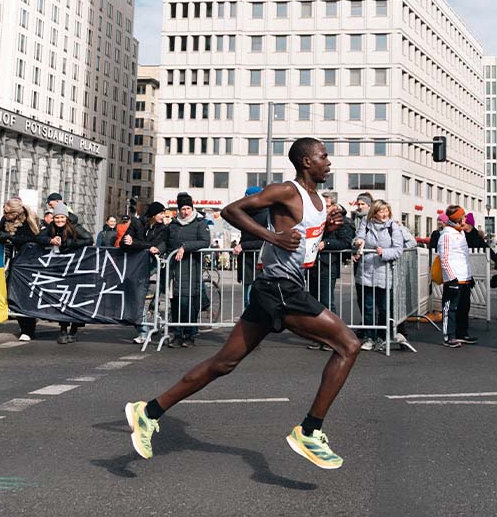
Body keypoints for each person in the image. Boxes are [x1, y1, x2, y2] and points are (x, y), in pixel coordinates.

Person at [126, 138, 360, 470]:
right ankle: (309, 431)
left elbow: (303, 242)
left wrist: (326, 229)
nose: (329, 162)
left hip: (277, 288)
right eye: (324, 156)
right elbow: (231, 211)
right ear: (307, 162)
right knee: (349, 345)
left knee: (223, 363)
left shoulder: (319, 200)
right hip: (280, 288)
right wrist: (272, 237)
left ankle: (147, 412)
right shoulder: (286, 191)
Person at [353, 199, 411, 351]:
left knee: (384, 307)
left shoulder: (393, 227)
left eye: (386, 211)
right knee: (368, 307)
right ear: (375, 212)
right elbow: (357, 239)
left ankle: (383, 335)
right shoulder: (366, 223)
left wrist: (384, 253)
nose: (384, 214)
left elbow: (398, 249)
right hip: (366, 271)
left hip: (385, 272)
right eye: (381, 211)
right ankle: (369, 337)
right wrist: (357, 242)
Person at [36, 202, 93, 342]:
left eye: (62, 217)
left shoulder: (75, 227)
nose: (59, 220)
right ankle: (62, 329)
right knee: (62, 298)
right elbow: (38, 237)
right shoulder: (51, 227)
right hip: (61, 267)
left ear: (66, 218)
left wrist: (68, 244)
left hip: (77, 266)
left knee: (75, 298)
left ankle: (73, 330)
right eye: (57, 218)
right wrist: (50, 240)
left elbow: (89, 239)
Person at [0, 198, 45, 341]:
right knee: (12, 295)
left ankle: (28, 330)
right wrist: (5, 237)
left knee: (25, 295)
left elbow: (33, 238)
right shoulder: (5, 220)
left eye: (8, 213)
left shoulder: (29, 219)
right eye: (4, 212)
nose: (5, 215)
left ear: (16, 213)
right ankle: (24, 325)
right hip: (11, 262)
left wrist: (11, 237)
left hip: (27, 263)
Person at [165, 192, 211, 348]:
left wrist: (185, 246)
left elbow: (205, 242)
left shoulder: (200, 223)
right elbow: (166, 242)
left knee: (188, 303)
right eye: (182, 209)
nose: (184, 212)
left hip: (191, 268)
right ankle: (177, 335)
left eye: (187, 208)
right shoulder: (173, 224)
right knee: (176, 303)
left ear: (192, 208)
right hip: (174, 269)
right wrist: (155, 249)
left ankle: (190, 334)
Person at [307, 202, 354, 350]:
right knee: (314, 303)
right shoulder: (316, 220)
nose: (324, 208)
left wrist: (326, 243)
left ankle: (334, 337)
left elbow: (345, 243)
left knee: (327, 302)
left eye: (327, 205)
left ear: (334, 206)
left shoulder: (342, 221)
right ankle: (318, 336)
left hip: (328, 265)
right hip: (313, 265)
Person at [122, 201, 171, 344]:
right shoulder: (136, 223)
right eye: (161, 213)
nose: (163, 216)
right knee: (137, 298)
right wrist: (135, 244)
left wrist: (135, 243)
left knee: (149, 297)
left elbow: (155, 245)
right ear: (153, 214)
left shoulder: (163, 228)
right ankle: (143, 331)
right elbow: (124, 243)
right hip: (135, 265)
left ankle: (152, 326)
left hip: (151, 265)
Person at [437, 205, 477, 347]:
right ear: (458, 218)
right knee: (450, 307)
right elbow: (445, 258)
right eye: (464, 216)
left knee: (464, 307)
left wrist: (469, 276)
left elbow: (463, 257)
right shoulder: (447, 235)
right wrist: (451, 278)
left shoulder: (461, 233)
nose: (466, 218)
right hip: (453, 278)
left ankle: (461, 333)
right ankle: (449, 336)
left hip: (464, 276)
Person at [231, 186, 270, 307]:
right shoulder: (245, 214)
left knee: (254, 300)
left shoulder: (267, 214)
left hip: (259, 262)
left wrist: (243, 245)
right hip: (247, 263)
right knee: (248, 301)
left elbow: (267, 238)